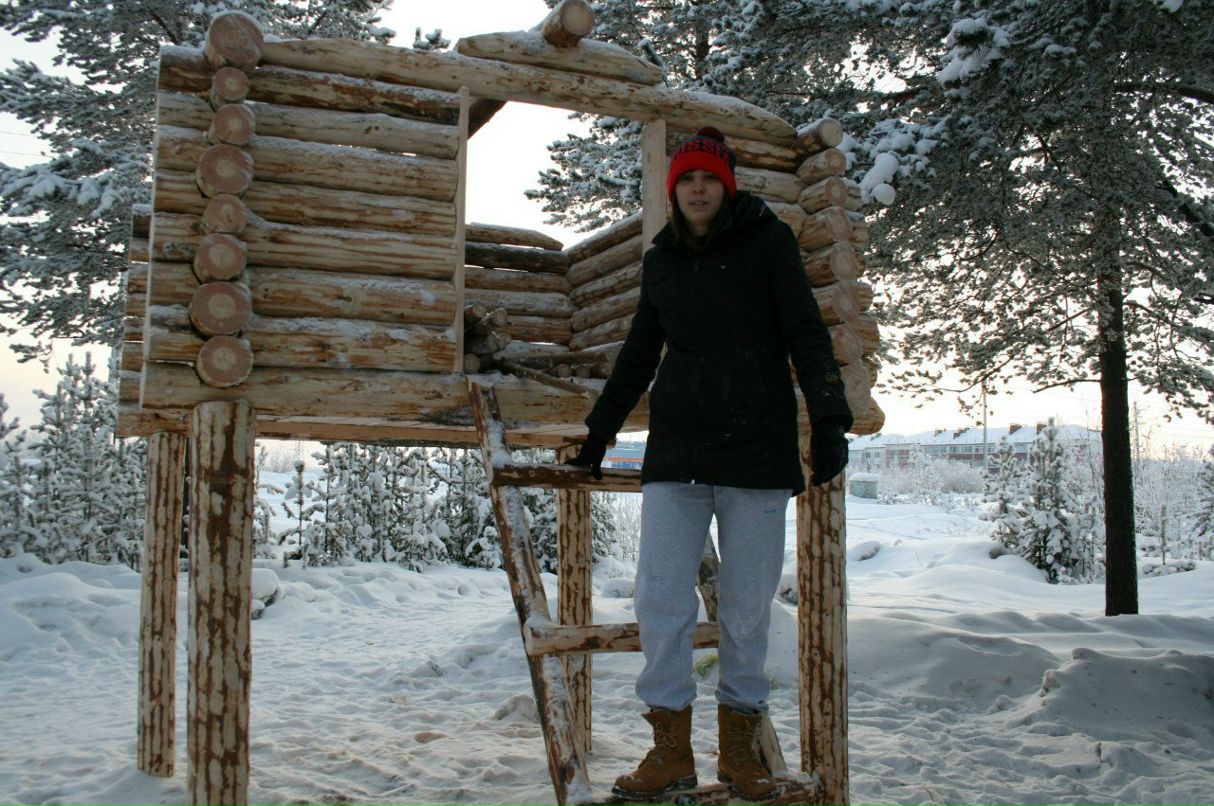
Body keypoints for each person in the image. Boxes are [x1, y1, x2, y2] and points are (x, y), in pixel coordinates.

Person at [566, 127, 853, 802]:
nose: (696, 189)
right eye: (685, 180)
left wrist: (831, 416)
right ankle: (669, 752)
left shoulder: (767, 241)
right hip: (680, 448)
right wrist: (599, 433)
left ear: (726, 186)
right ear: (674, 192)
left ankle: (740, 753)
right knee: (659, 596)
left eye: (707, 179)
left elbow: (806, 331)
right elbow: (640, 353)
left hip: (757, 448)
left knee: (747, 609)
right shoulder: (663, 258)